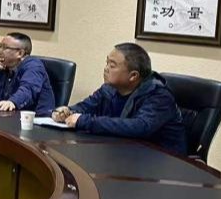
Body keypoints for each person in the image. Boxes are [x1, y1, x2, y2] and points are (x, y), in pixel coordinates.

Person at [52, 43, 187, 155]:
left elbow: (140, 126)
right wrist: (67, 111)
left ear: (133, 76)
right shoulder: (108, 89)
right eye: (106, 63)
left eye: (112, 65)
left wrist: (84, 121)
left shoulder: (158, 95)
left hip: (163, 163)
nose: (106, 69)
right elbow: (85, 107)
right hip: (125, 155)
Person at [0, 32, 55, 115]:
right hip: (7, 118)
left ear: (20, 53)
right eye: (0, 47)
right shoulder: (3, 69)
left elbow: (28, 89)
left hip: (35, 120)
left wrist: (12, 102)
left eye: (4, 48)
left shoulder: (34, 66)